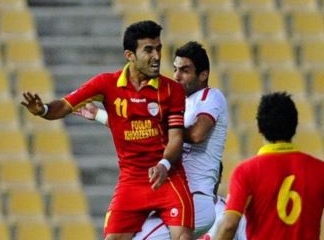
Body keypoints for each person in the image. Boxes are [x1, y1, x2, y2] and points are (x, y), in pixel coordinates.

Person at [21, 20, 194, 240]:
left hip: (168, 177)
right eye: (148, 50)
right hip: (132, 181)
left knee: (184, 238)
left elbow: (176, 138)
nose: (157, 56)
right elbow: (64, 106)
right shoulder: (106, 84)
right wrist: (43, 109)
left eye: (158, 48)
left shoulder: (172, 90)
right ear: (129, 55)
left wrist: (164, 164)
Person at [77, 41, 244, 239]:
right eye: (174, 69)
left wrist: (163, 127)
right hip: (171, 196)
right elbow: (142, 129)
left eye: (184, 70)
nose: (176, 76)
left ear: (203, 75)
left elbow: (197, 134)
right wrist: (99, 115)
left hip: (195, 200)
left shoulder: (211, 96)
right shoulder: (178, 101)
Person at [216, 92, 324, 240]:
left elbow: (229, 226)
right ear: (295, 125)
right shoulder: (321, 171)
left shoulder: (246, 172)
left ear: (259, 127)